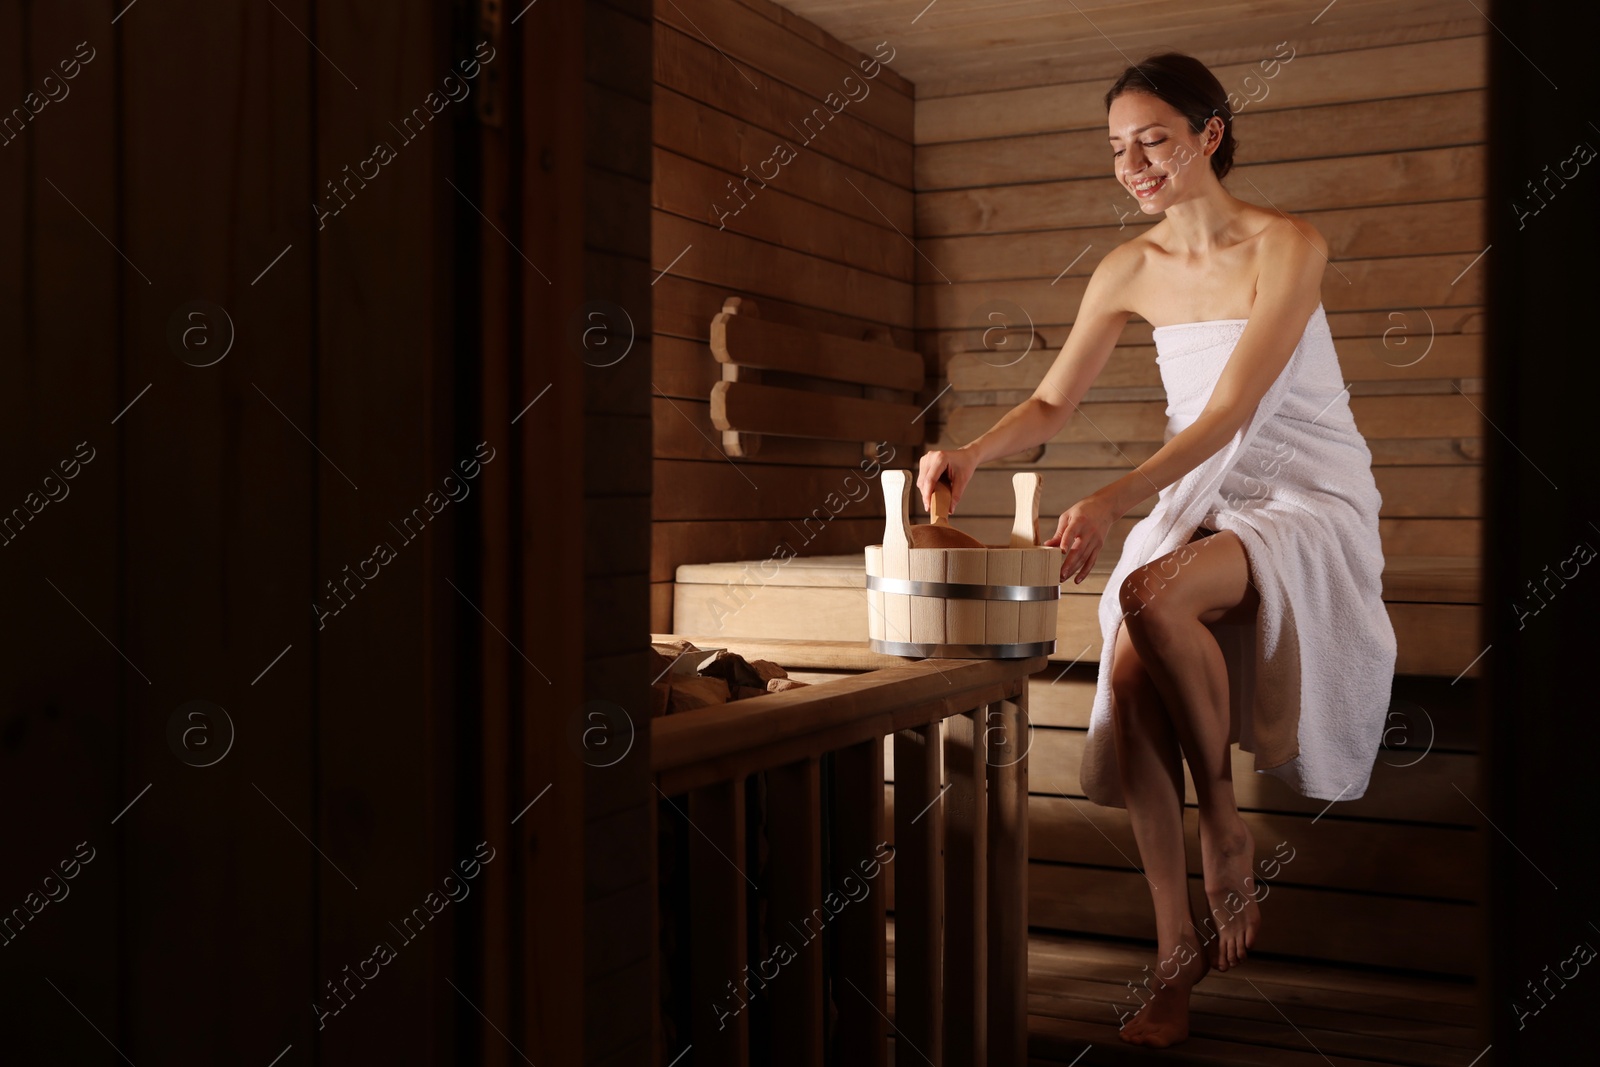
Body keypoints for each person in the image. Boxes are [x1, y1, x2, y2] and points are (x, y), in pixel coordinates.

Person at [916, 51, 1396, 1049]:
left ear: (1208, 133)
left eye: (1153, 140)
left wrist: (1110, 496)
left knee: (1146, 589)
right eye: (1117, 149)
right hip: (1196, 489)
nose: (1132, 165)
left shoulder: (1288, 245)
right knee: (1132, 674)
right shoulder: (1126, 267)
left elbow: (1232, 408)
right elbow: (1052, 403)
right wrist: (967, 449)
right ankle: (1173, 957)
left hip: (1303, 491)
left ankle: (1223, 822)